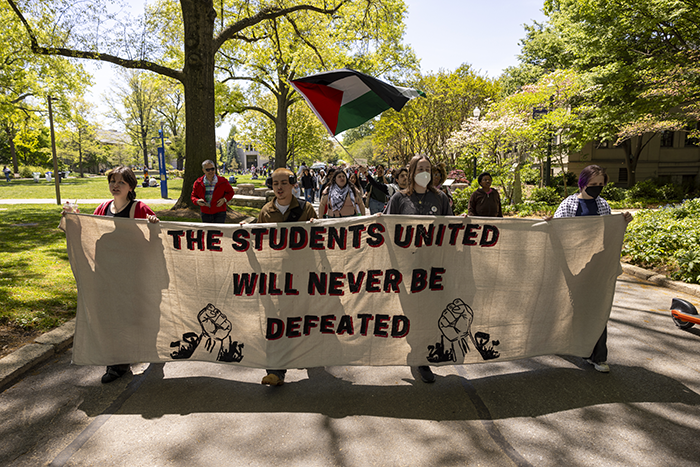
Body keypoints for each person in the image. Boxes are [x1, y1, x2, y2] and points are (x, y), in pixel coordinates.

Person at [551, 165, 633, 373]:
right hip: (573, 266)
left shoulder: (603, 204)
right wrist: (549, 224)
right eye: (593, 184)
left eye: (600, 184)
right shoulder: (569, 204)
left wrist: (622, 221)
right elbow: (558, 230)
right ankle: (577, 347)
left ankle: (598, 356)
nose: (597, 188)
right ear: (583, 182)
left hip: (597, 266)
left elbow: (608, 232)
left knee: (598, 309)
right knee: (574, 308)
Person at [87, 166, 160, 383]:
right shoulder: (102, 208)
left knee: (136, 317)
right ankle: (117, 365)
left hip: (134, 276)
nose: (115, 186)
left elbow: (156, 242)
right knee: (112, 318)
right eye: (112, 181)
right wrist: (72, 219)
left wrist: (154, 227)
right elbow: (89, 232)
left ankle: (150, 349)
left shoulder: (140, 208)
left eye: (121, 182)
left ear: (131, 186)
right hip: (108, 275)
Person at [384, 155, 453, 383]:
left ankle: (422, 358)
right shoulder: (399, 199)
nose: (425, 172)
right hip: (406, 269)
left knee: (429, 313)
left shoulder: (440, 198)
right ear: (412, 172)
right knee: (411, 312)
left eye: (428, 169)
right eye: (420, 168)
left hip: (433, 268)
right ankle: (417, 352)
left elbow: (449, 228)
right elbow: (386, 226)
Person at [257, 168, 318, 386]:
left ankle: (311, 353)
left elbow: (320, 241)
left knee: (304, 318)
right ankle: (276, 371)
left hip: (303, 274)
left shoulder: (307, 208)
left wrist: (315, 228)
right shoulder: (266, 211)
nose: (280, 187)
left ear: (293, 184)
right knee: (279, 321)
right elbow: (258, 240)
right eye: (275, 184)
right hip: (278, 278)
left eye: (284, 183)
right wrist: (246, 232)